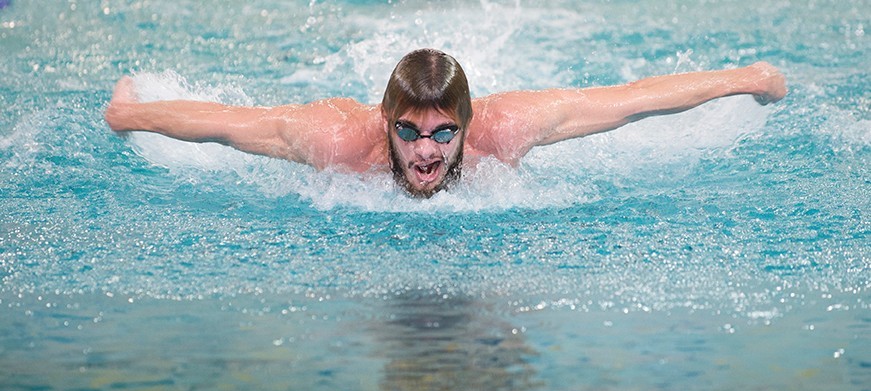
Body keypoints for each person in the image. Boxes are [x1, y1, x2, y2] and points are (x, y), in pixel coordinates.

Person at [105, 48, 787, 198]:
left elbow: (632, 97)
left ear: (465, 124)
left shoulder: (508, 127)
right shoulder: (337, 141)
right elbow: (222, 124)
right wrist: (128, 113)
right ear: (385, 124)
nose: (425, 154)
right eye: (407, 133)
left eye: (441, 133)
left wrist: (746, 80)